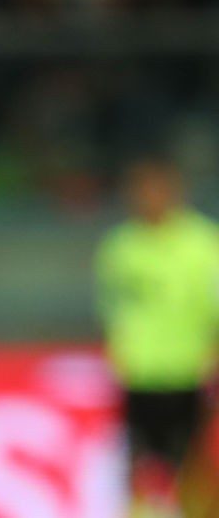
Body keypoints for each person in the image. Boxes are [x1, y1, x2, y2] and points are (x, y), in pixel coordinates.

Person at [95, 157, 219, 515]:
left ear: (175, 191)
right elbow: (111, 308)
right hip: (139, 374)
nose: (148, 197)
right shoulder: (120, 247)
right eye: (141, 190)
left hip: (190, 372)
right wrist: (120, 354)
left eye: (155, 189)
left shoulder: (204, 244)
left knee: (194, 467)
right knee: (136, 465)